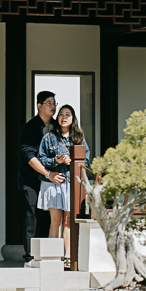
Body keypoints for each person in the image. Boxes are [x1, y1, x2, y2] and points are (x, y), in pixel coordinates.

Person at [37, 104, 90, 267]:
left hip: (70, 183)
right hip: (54, 182)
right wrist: (56, 160)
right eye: (61, 114)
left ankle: (68, 256)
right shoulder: (49, 137)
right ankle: (52, 256)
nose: (64, 117)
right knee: (56, 220)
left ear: (73, 118)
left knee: (68, 221)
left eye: (68, 114)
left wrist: (72, 160)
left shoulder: (79, 137)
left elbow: (86, 161)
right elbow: (41, 158)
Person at [18, 90, 64, 262]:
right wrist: (47, 173)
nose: (53, 106)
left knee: (49, 218)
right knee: (32, 217)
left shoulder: (57, 127)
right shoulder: (29, 128)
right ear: (39, 105)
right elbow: (28, 156)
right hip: (31, 181)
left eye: (54, 103)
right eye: (49, 103)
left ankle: (48, 254)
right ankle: (30, 256)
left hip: (52, 181)